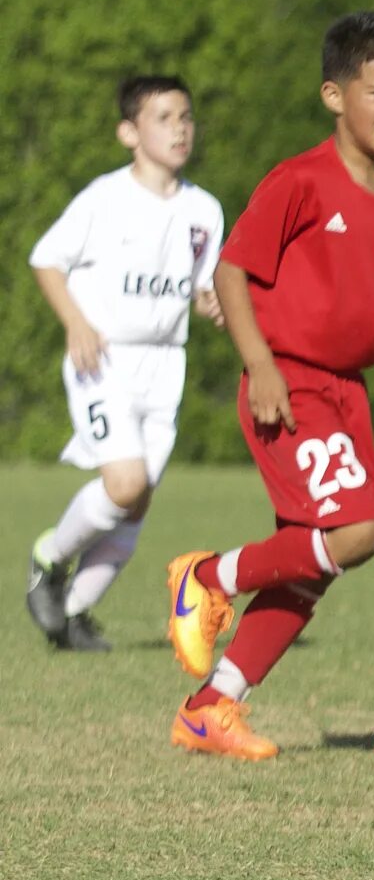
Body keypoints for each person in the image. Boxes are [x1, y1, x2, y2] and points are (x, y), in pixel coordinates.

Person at [162, 17, 374, 761]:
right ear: (335, 94)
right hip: (288, 382)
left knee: (316, 559)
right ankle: (207, 574)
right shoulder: (299, 180)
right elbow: (232, 272)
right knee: (358, 532)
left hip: (347, 393)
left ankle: (211, 706)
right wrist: (260, 364)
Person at [25, 76, 225, 655]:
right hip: (105, 356)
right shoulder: (104, 197)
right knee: (125, 482)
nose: (180, 128)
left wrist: (214, 302)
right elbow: (46, 259)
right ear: (128, 132)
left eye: (185, 117)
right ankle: (48, 559)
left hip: (165, 367)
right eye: (163, 118)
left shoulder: (204, 209)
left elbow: (202, 286)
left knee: (136, 502)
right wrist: (76, 323)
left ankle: (74, 614)